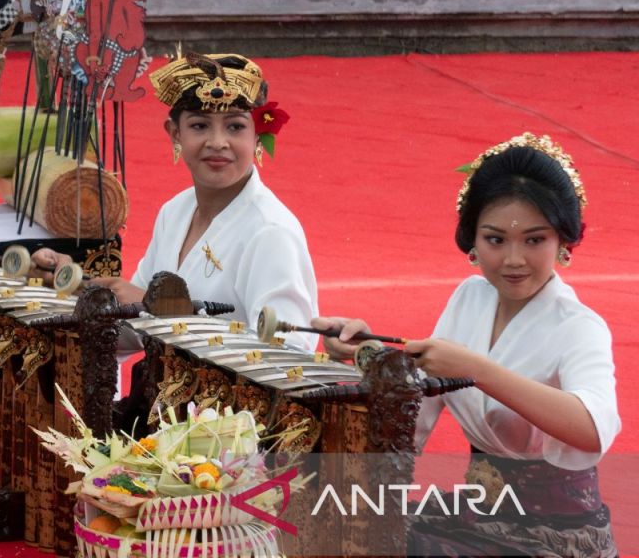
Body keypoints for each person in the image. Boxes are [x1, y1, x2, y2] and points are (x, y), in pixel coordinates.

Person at [318, 133, 619, 554]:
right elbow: (412, 418)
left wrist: (478, 371)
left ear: (563, 242)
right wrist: (368, 357)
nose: (514, 260)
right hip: (476, 517)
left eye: (535, 240)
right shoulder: (469, 298)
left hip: (552, 536)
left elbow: (593, 429)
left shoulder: (579, 326)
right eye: (496, 239)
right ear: (472, 242)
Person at [33, 53, 319, 351]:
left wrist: (159, 313)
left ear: (258, 135)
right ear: (175, 134)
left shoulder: (270, 232)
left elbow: (290, 355)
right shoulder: (175, 212)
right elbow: (133, 329)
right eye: (199, 126)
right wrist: (69, 289)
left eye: (235, 126)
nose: (218, 142)